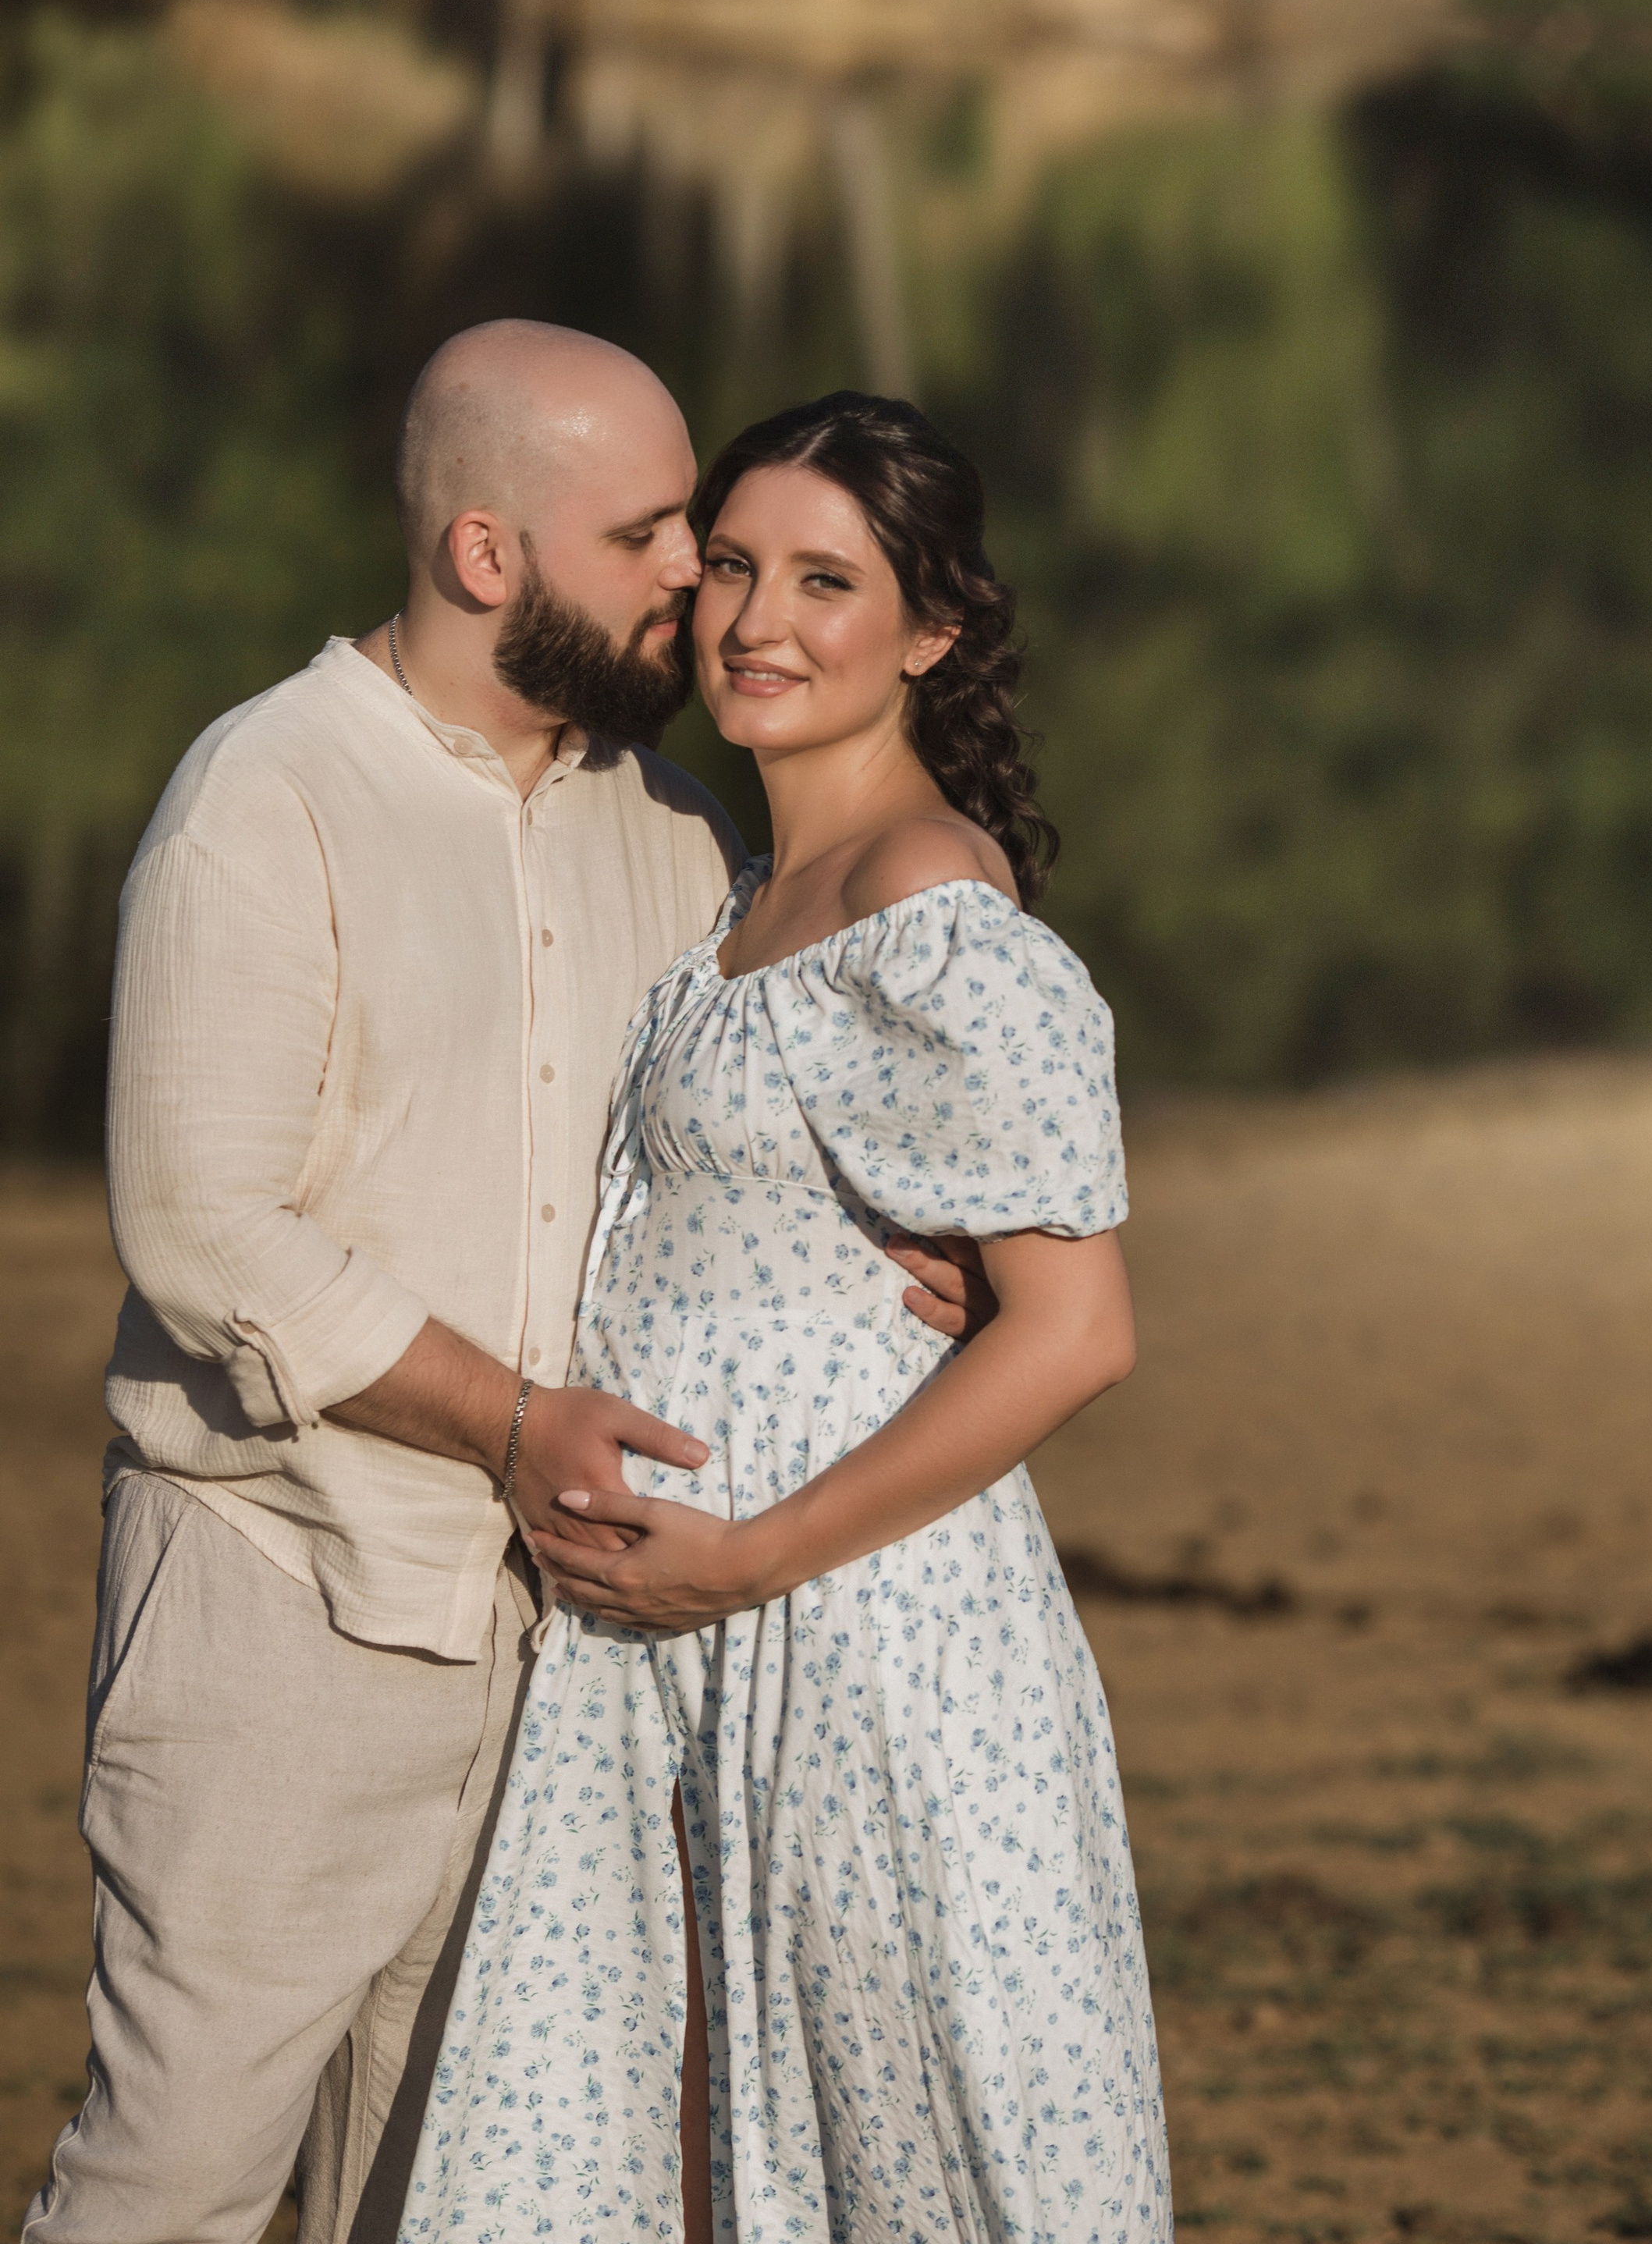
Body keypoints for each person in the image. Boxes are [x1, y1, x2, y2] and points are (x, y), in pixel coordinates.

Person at [27, 325, 980, 2244]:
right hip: (284, 1608)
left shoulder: (684, 830)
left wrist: (902, 1253)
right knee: (173, 2189)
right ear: (486, 556)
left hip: (569, 1653)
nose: (694, 587)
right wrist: (519, 1420)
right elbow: (207, 1233)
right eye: (650, 538)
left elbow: (738, 1147)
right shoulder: (264, 799)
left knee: (459, 2196)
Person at [399, 392, 1172, 2244]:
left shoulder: (925, 898)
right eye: (732, 565)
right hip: (687, 1632)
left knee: (913, 2127)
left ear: (931, 629)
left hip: (859, 1630)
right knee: (690, 2144)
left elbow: (1074, 1329)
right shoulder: (742, 903)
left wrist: (750, 1557)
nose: (754, 620)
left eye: (825, 580)